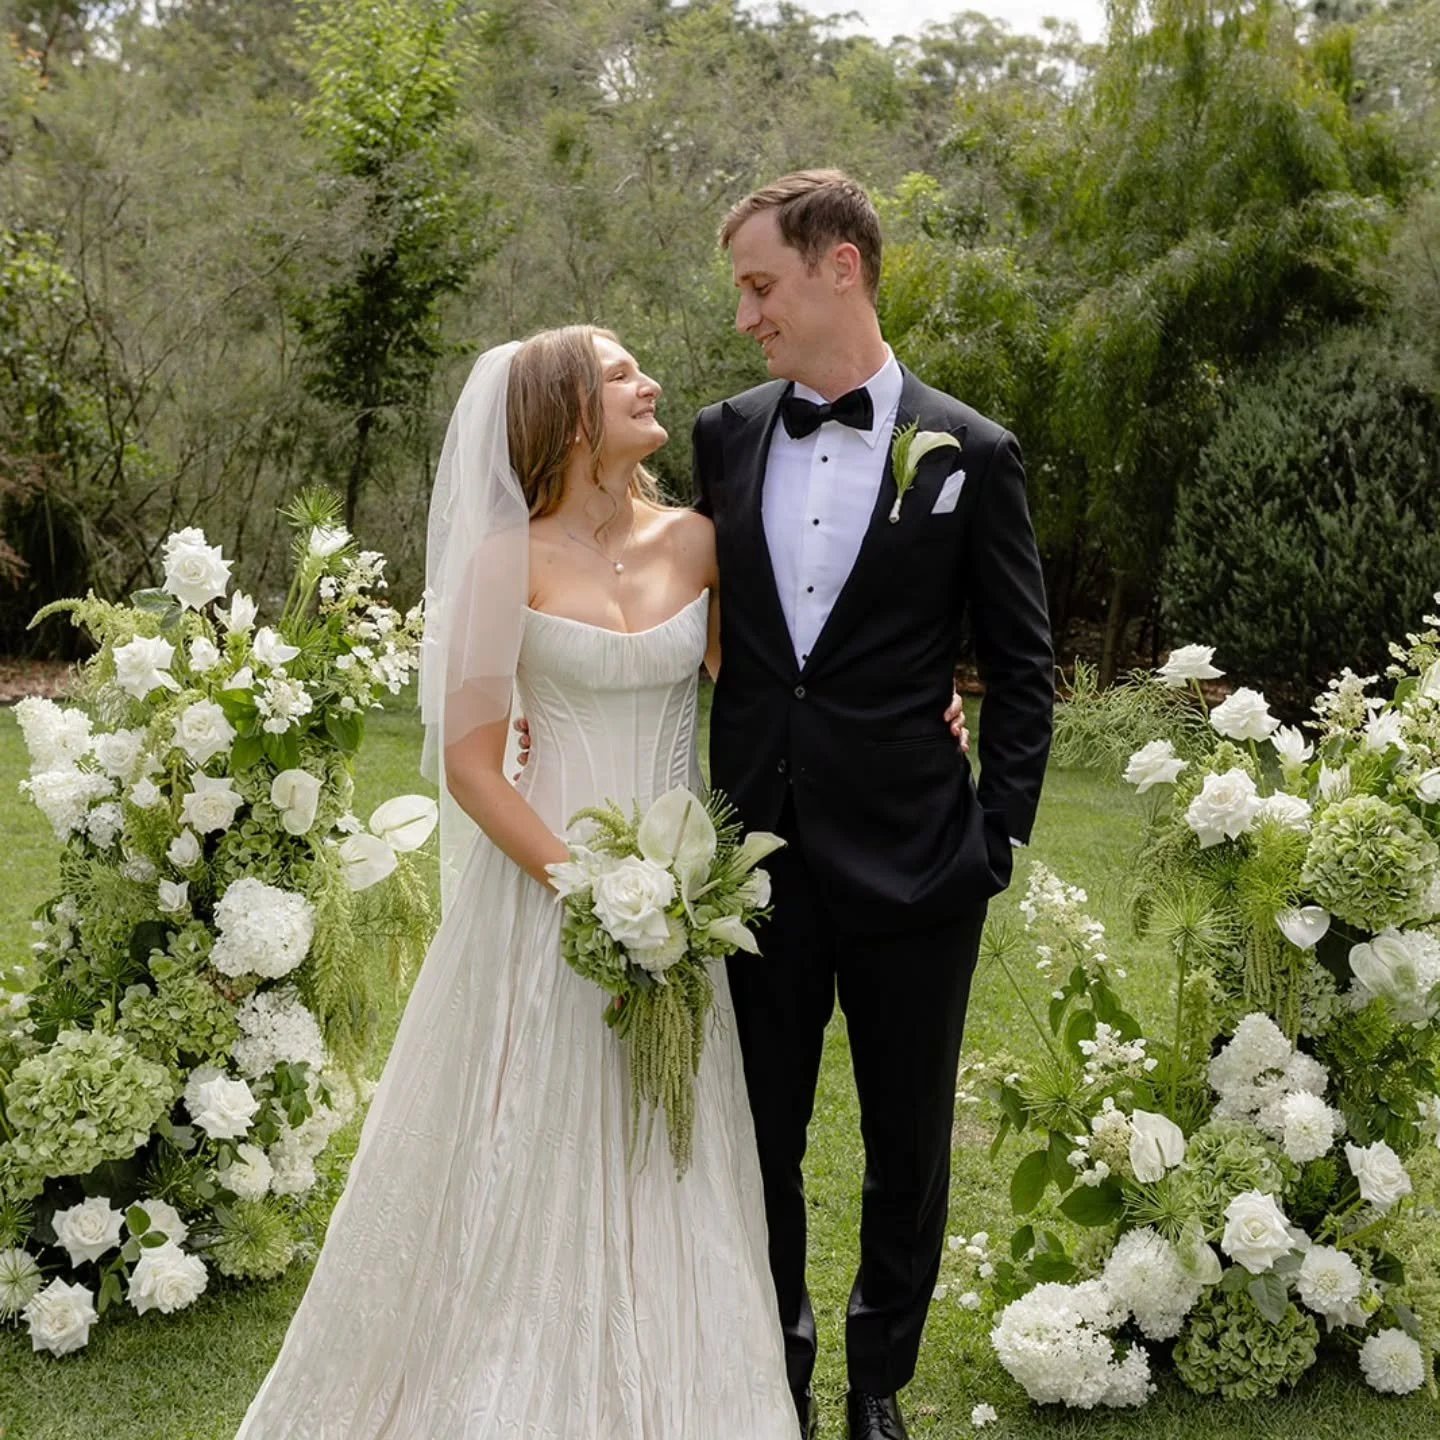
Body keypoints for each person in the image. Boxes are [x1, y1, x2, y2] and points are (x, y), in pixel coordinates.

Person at [233, 326, 800, 1438]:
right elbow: (470, 762)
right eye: (622, 373)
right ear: (569, 414)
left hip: (680, 909)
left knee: (669, 1155)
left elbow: (775, 694)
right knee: (527, 1147)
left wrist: (914, 703)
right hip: (548, 900)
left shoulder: (699, 541)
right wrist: (584, 889)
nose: (652, 383)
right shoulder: (511, 557)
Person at [694, 171, 1053, 1440]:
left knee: (909, 1148)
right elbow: (690, 617)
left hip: (918, 866)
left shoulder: (976, 452)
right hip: (757, 867)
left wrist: (994, 836)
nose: (747, 317)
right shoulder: (724, 436)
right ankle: (775, 1366)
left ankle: (877, 1382)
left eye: (760, 285)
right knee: (760, 1138)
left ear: (840, 266)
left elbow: (1021, 666)